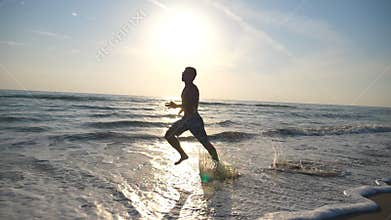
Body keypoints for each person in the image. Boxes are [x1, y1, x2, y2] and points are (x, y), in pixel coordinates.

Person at [165, 67, 219, 165]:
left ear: (190, 76)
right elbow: (189, 104)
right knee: (169, 135)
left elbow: (191, 105)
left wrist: (176, 106)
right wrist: (183, 109)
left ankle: (217, 165)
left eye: (184, 73)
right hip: (191, 119)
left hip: (192, 120)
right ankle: (183, 155)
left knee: (169, 135)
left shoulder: (192, 88)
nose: (182, 74)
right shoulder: (187, 88)